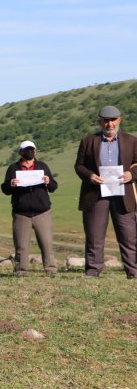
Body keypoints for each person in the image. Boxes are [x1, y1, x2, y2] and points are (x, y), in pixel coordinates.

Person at [74, 105, 137, 278]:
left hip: (123, 195)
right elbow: (79, 166)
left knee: (129, 236)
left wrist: (131, 174)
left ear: (119, 120)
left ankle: (133, 272)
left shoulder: (132, 141)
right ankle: (93, 272)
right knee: (94, 236)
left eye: (113, 120)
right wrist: (90, 176)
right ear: (100, 122)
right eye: (106, 120)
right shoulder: (88, 141)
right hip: (96, 195)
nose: (109, 124)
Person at [1, 140, 59, 276]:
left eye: (32, 149)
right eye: (27, 150)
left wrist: (48, 182)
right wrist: (11, 184)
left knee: (46, 243)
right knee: (21, 245)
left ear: (36, 151)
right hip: (21, 212)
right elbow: (5, 189)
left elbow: (54, 187)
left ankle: (51, 270)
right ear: (21, 152)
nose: (30, 152)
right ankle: (21, 270)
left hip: (42, 212)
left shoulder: (42, 166)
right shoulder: (13, 168)